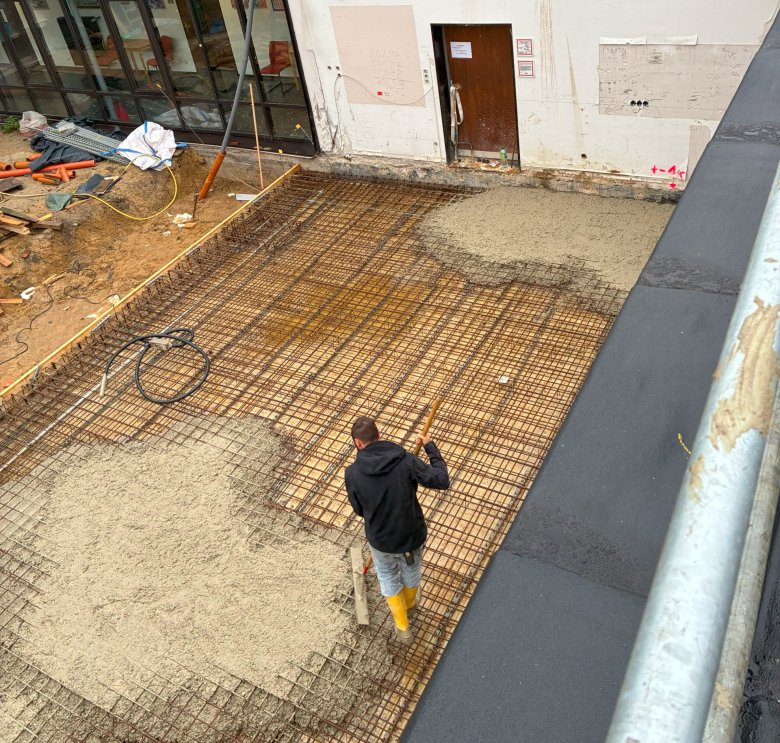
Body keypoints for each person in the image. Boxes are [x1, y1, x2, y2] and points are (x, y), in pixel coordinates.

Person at [344, 415, 449, 641]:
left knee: (387, 575)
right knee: (411, 571)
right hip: (411, 535)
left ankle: (402, 626)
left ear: (358, 443)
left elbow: (359, 510)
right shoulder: (406, 460)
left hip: (381, 540)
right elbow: (441, 480)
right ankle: (410, 606)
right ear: (378, 436)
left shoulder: (352, 473)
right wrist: (430, 447)